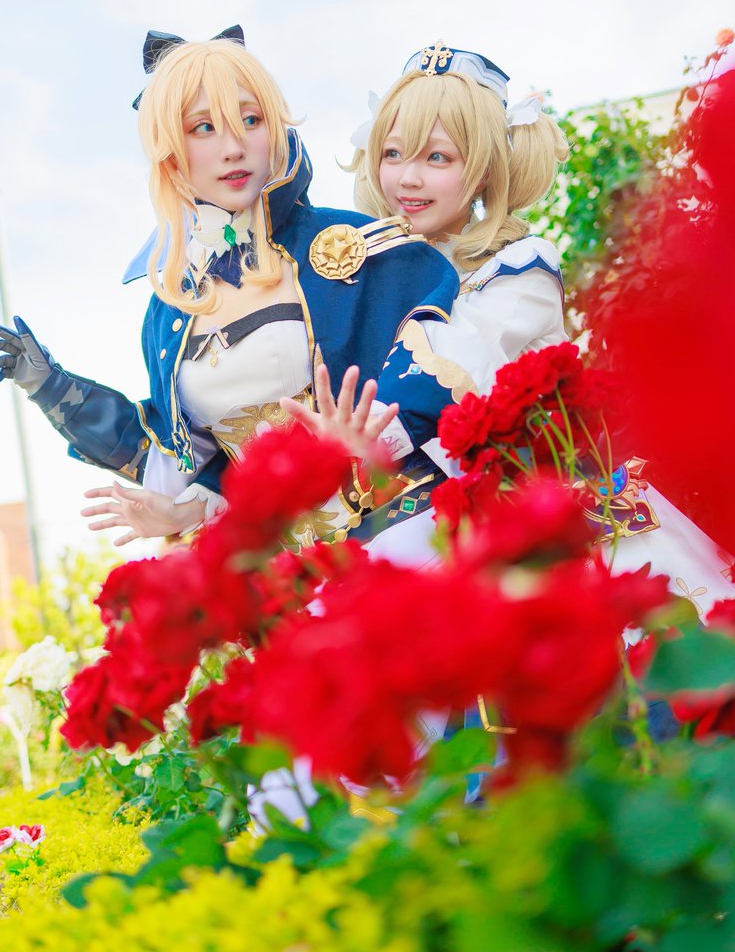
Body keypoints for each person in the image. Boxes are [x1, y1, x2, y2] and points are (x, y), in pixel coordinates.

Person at [298, 41, 732, 622]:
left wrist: (351, 445)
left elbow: (438, 381)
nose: (408, 178)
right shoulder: (372, 276)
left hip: (543, 522)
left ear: (482, 170)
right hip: (427, 521)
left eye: (438, 158)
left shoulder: (520, 266)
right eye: (393, 154)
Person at [0, 32, 460, 546]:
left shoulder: (350, 244)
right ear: (170, 151)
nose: (234, 149)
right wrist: (53, 390)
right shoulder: (171, 309)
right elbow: (184, 456)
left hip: (400, 527)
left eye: (251, 120)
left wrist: (375, 433)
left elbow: (448, 357)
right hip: (281, 560)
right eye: (203, 128)